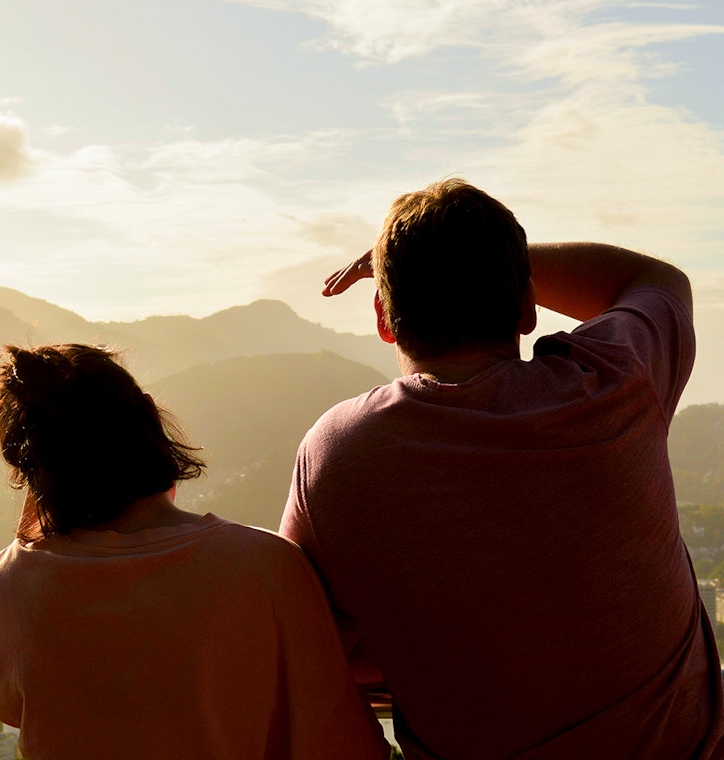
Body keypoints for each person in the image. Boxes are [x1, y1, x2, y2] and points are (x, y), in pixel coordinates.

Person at [281, 177, 724, 758]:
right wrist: (494, 260)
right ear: (526, 307)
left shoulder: (338, 453)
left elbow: (307, 637)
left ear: (385, 319)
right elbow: (658, 281)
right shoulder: (614, 383)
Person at [0, 343, 387, 760]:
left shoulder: (12, 586)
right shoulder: (266, 566)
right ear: (148, 414)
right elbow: (343, 740)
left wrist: (34, 518)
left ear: (26, 465)